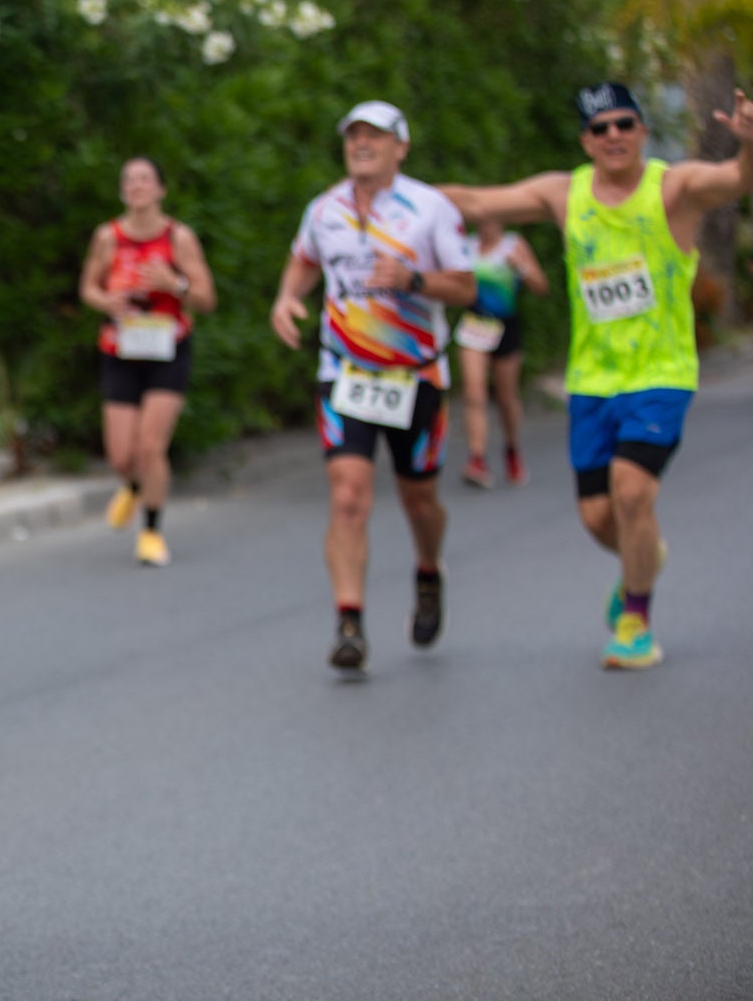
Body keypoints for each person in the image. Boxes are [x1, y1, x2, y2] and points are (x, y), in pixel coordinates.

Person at [443, 83, 753, 669]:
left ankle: (635, 620)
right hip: (591, 381)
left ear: (640, 131)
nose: (613, 135)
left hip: (661, 373)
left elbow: (737, 179)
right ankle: (643, 556)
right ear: (586, 140)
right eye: (600, 127)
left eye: (624, 124)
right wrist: (395, 195)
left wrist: (749, 145)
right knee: (597, 518)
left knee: (633, 491)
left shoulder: (674, 188)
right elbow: (478, 203)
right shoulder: (565, 194)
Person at [270, 101, 474, 674]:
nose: (362, 144)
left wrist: (412, 279)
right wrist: (287, 297)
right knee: (348, 495)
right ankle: (350, 622)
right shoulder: (324, 209)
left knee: (419, 501)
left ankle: (429, 571)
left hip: (416, 376)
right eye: (354, 136)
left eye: (376, 137)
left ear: (400, 148)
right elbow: (304, 262)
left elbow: (464, 286)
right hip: (346, 374)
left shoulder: (430, 208)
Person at [78, 157, 216, 565]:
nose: (137, 186)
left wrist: (176, 284)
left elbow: (207, 298)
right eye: (129, 180)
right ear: (123, 191)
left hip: (167, 350)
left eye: (145, 179)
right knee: (122, 456)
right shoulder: (108, 237)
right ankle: (136, 488)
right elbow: (88, 286)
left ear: (160, 189)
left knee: (151, 447)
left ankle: (151, 532)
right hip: (121, 350)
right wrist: (107, 301)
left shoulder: (178, 238)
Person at [454, 219, 548, 488]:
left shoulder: (514, 245)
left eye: (494, 219)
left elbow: (541, 287)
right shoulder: (467, 246)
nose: (488, 226)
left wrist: (522, 268)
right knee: (474, 393)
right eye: (484, 221)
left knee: (506, 397)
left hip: (506, 325)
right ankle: (477, 459)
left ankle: (511, 449)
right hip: (475, 324)